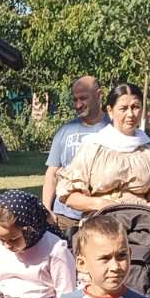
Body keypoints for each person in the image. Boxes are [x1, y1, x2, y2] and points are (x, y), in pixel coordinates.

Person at [55, 82, 150, 218]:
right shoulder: (93, 146)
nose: (130, 114)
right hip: (101, 222)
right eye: (123, 108)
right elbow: (70, 196)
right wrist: (102, 204)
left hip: (142, 222)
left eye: (135, 107)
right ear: (110, 111)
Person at [43, 76, 107, 236]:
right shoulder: (65, 131)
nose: (78, 105)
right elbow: (52, 173)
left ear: (99, 95)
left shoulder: (113, 129)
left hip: (101, 215)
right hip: (64, 217)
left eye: (83, 98)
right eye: (75, 99)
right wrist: (46, 209)